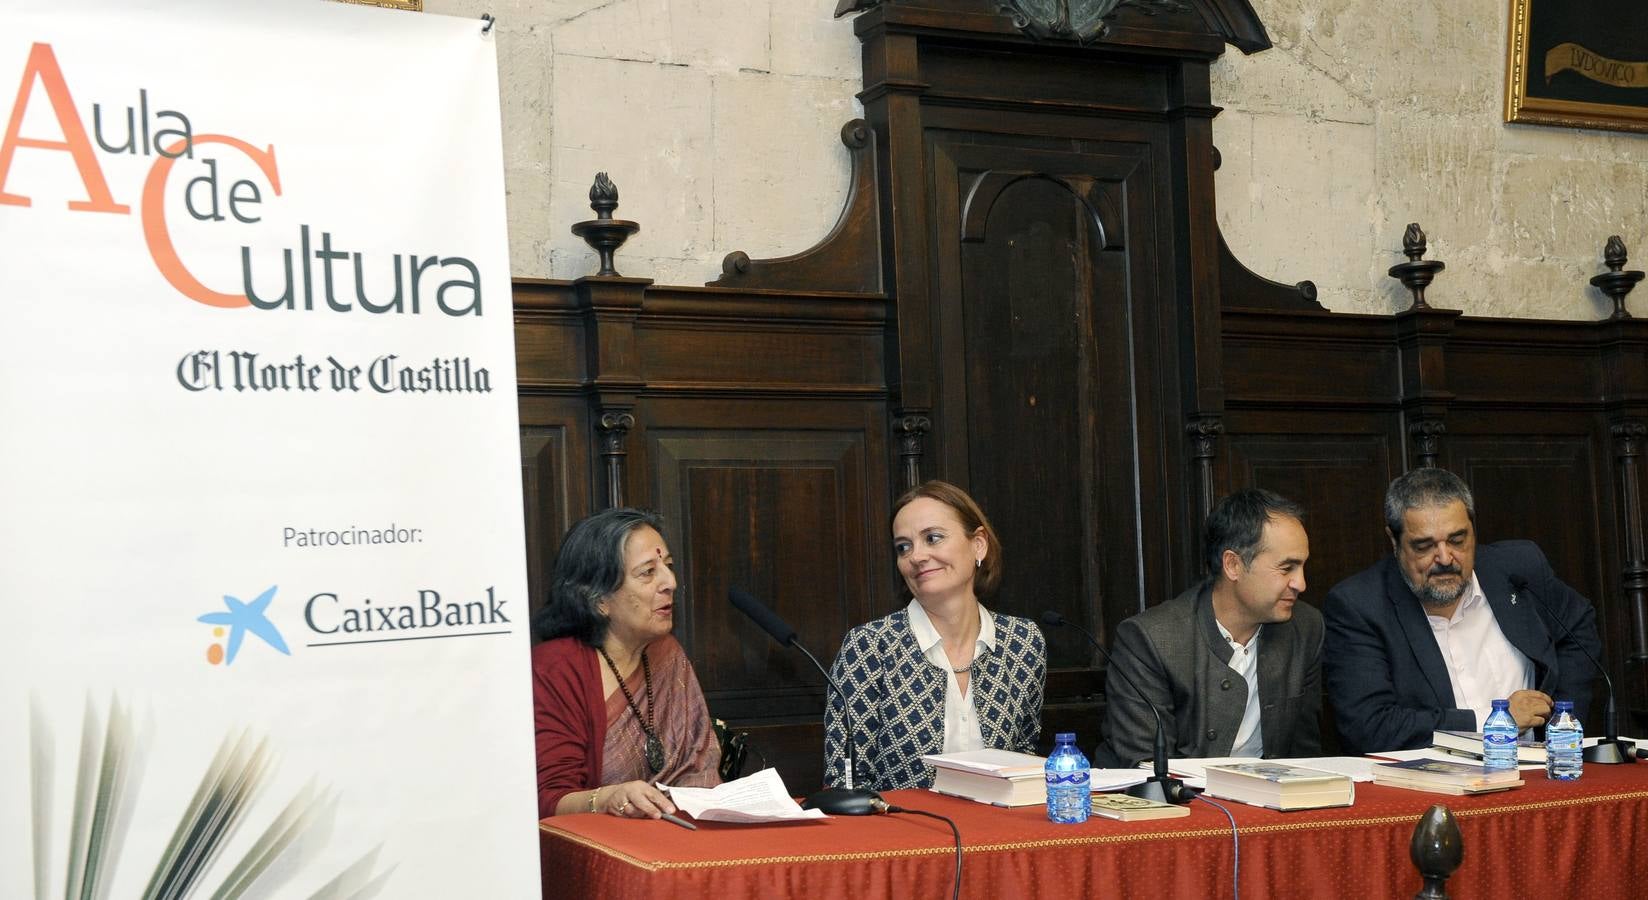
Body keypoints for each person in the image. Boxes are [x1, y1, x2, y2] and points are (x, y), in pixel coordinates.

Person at [1323, 468, 1602, 754]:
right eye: (1424, 546)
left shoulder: (1518, 570)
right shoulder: (1360, 606)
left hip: (1538, 773)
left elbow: (1578, 627)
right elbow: (1370, 727)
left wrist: (1563, 721)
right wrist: (1496, 721)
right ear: (1394, 542)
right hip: (1432, 786)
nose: (1445, 558)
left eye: (1457, 540)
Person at [824, 481, 1045, 790]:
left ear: (978, 544)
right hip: (902, 833)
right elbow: (846, 782)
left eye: (933, 538)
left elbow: (1025, 760)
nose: (916, 556)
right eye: (904, 546)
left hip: (1000, 832)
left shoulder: (1022, 640)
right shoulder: (871, 646)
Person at [1094, 489, 1323, 767]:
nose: (1301, 583)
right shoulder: (1151, 639)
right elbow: (1145, 764)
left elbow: (1306, 756)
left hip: (1268, 799)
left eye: (1302, 567)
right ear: (1233, 565)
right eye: (1287, 568)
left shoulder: (1305, 628)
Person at [532, 508, 720, 819]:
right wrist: (608, 798)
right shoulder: (555, 668)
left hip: (679, 837)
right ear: (599, 600)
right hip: (594, 851)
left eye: (668, 566)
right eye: (648, 572)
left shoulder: (666, 654)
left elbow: (699, 771)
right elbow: (548, 801)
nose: (670, 582)